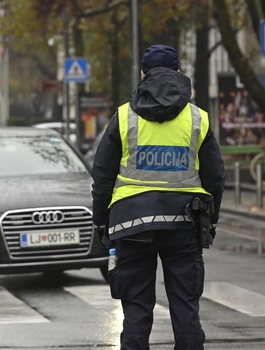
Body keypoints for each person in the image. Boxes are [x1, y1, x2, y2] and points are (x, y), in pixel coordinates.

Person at [91, 44, 225, 350]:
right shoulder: (197, 119)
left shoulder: (124, 118)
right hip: (184, 224)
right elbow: (216, 177)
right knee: (186, 311)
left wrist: (101, 224)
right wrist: (210, 220)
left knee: (136, 312)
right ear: (178, 72)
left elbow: (102, 177)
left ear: (142, 74)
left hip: (131, 225)